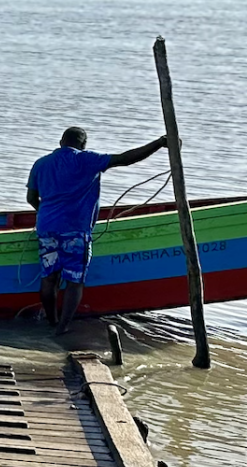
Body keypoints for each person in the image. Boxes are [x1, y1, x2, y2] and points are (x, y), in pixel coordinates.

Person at [27, 126, 168, 332]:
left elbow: (31, 198)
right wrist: (159, 143)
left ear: (60, 142)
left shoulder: (40, 164)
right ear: (83, 145)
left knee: (49, 277)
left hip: (46, 228)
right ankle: (63, 327)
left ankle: (52, 321)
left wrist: (47, 215)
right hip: (75, 230)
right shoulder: (87, 160)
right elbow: (125, 159)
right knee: (75, 280)